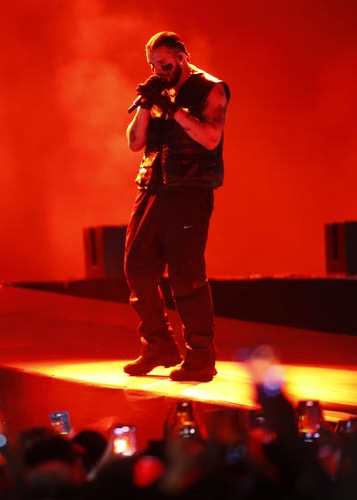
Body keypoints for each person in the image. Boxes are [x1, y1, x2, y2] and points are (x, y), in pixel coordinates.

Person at [123, 31, 230, 382]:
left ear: (182, 56)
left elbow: (211, 138)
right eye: (153, 64)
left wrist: (173, 109)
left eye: (165, 63)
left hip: (189, 189)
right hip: (153, 186)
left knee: (186, 274)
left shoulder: (210, 88)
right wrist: (144, 105)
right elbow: (135, 143)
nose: (159, 70)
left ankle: (201, 357)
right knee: (137, 266)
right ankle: (159, 345)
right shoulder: (158, 90)